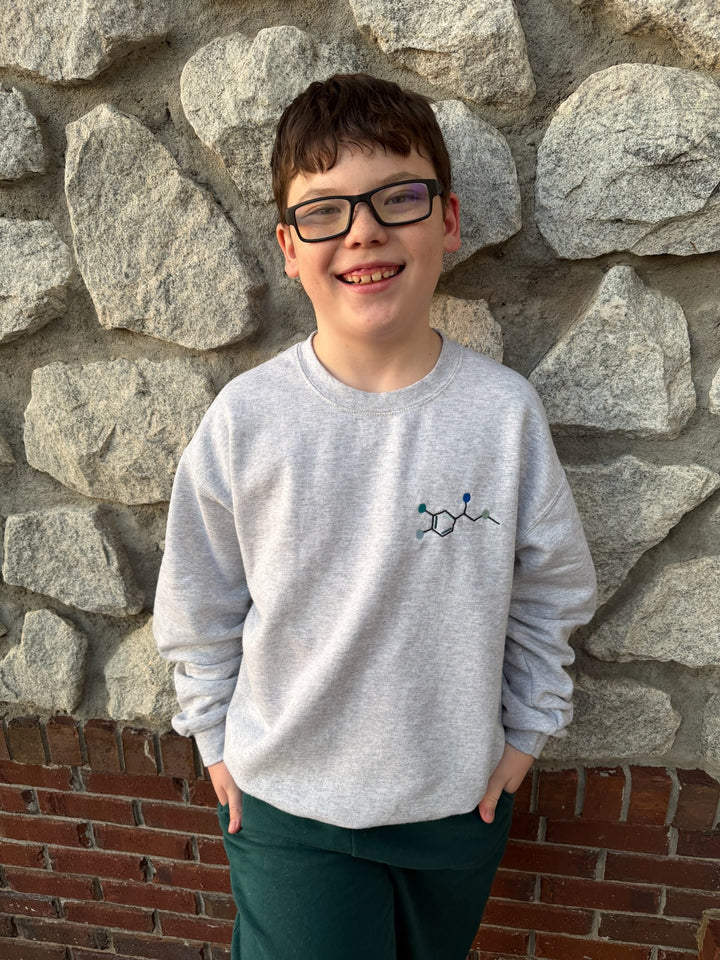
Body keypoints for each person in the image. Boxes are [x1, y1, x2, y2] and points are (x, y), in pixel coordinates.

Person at [154, 72, 597, 960]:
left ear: (449, 221)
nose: (363, 229)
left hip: (457, 805)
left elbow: (552, 589)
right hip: (291, 809)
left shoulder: (502, 415)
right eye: (325, 211)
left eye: (398, 197)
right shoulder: (248, 419)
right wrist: (212, 739)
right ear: (288, 247)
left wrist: (525, 735)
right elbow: (199, 598)